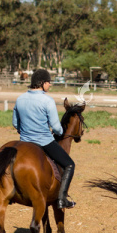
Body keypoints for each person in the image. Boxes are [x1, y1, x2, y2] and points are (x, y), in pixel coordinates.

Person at [12, 69, 76, 209]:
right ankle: (62, 199)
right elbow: (56, 126)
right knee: (70, 164)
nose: (50, 85)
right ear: (42, 83)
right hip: (44, 142)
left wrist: (25, 132)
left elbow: (15, 123)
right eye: (48, 82)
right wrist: (59, 131)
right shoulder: (47, 100)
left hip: (24, 142)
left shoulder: (20, 99)